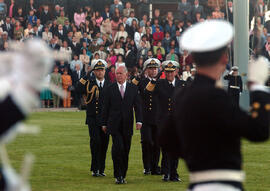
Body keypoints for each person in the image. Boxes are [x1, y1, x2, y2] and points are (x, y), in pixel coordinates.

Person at [160, 20, 270, 191]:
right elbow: (259, 131)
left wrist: (195, 155)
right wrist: (257, 87)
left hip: (197, 183)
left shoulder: (182, 95)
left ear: (193, 58)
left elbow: (166, 139)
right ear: (224, 58)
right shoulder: (217, 97)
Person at [101, 64, 142, 184]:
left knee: (125, 150)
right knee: (118, 148)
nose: (118, 75)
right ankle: (118, 175)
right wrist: (104, 123)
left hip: (127, 125)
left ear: (126, 75)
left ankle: (123, 174)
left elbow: (138, 106)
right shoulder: (110, 88)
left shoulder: (133, 88)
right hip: (114, 125)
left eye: (120, 73)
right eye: (116, 73)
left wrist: (139, 120)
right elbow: (105, 107)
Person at [145, 60, 185, 182]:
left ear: (176, 72)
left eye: (171, 72)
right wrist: (155, 79)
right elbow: (148, 91)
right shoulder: (160, 83)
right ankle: (166, 173)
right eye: (167, 72)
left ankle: (174, 173)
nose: (169, 74)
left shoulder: (182, 84)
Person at [77, 59, 110, 177]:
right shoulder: (89, 83)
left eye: (101, 70)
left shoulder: (110, 84)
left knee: (104, 144)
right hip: (93, 118)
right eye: (97, 70)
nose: (100, 72)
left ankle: (101, 169)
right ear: (94, 72)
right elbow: (77, 88)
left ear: (105, 71)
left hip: (105, 120)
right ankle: (95, 168)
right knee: (95, 143)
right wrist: (86, 74)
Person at [132, 58, 162, 175]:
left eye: (155, 68)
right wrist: (138, 77)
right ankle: (147, 166)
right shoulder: (142, 81)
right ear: (147, 70)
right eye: (151, 68)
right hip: (145, 117)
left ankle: (155, 167)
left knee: (157, 143)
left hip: (158, 117)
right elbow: (132, 87)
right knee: (147, 142)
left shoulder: (161, 82)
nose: (154, 71)